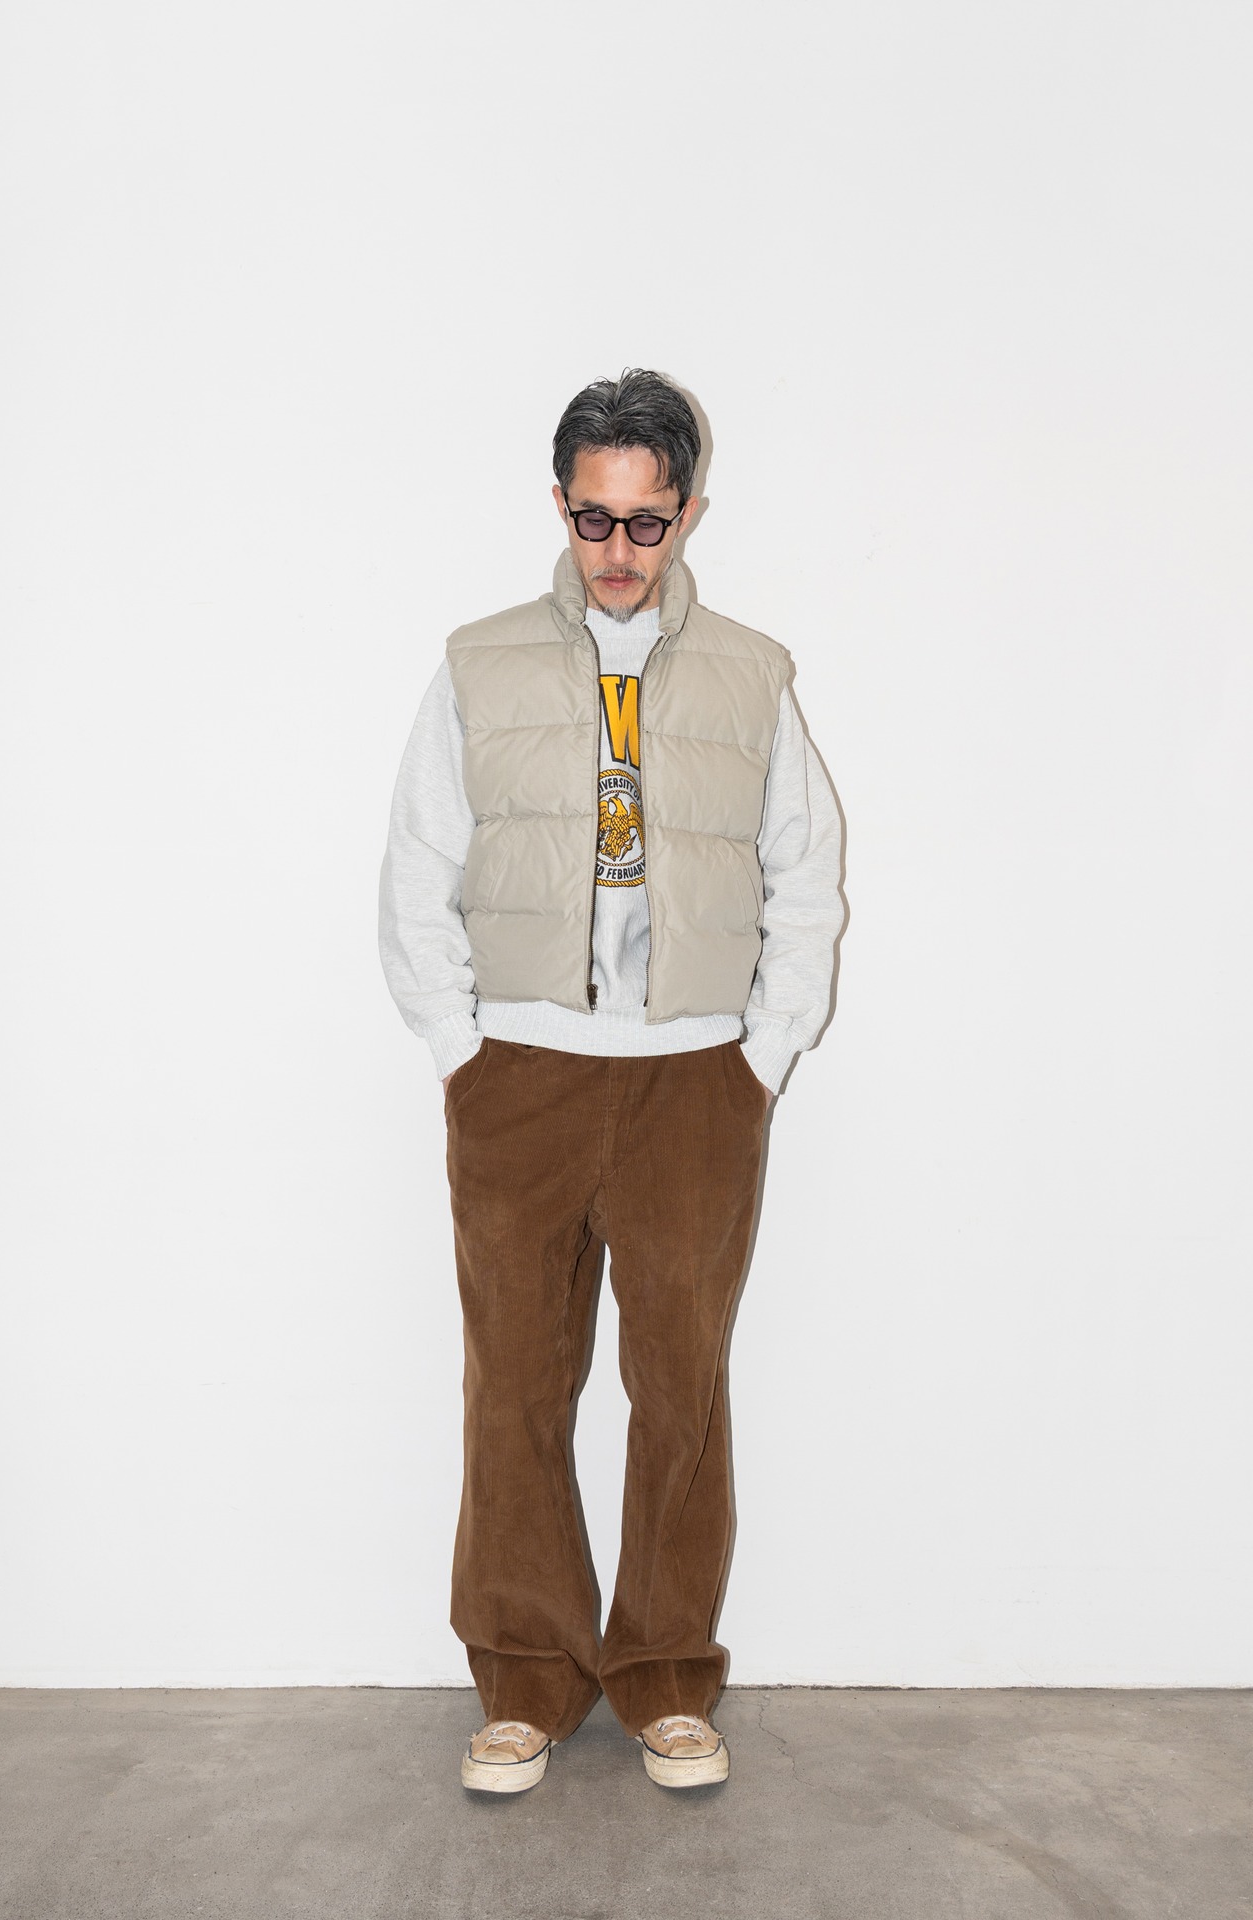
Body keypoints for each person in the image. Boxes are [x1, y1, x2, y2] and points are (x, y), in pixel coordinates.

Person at [377, 369, 845, 1794]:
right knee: (514, 1383)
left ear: (688, 513)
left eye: (647, 522)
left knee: (678, 1385)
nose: (619, 552)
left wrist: (763, 1055)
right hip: (520, 1077)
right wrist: (462, 1049)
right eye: (594, 519)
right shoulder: (478, 665)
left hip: (694, 1081)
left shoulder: (754, 673)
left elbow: (806, 871)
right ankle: (525, 1682)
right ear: (562, 506)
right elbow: (417, 863)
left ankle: (663, 1677)